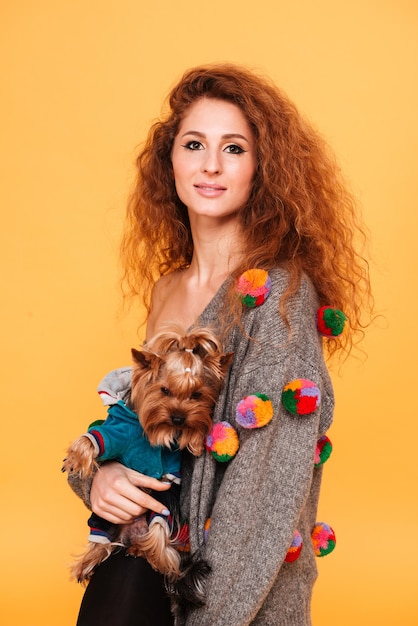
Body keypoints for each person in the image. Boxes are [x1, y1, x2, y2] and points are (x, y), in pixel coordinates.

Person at [68, 63, 372, 626]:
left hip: (229, 589)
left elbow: (264, 494)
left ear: (264, 168)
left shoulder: (279, 296)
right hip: (149, 552)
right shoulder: (167, 290)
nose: (210, 165)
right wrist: (98, 478)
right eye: (194, 144)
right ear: (171, 162)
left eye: (234, 148)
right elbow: (141, 431)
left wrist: (207, 616)